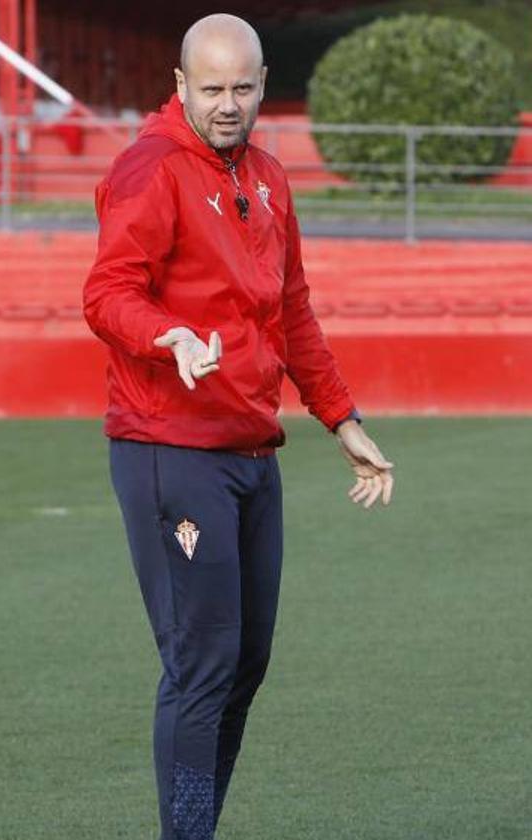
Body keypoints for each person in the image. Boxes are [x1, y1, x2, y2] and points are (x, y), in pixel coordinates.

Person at [82, 13, 394, 840]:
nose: (228, 104)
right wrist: (166, 335)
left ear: (262, 88)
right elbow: (107, 292)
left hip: (251, 452)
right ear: (181, 86)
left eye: (243, 88)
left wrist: (341, 417)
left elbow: (292, 311)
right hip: (169, 446)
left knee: (245, 664)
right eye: (212, 88)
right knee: (201, 665)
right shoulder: (150, 169)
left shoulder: (266, 175)